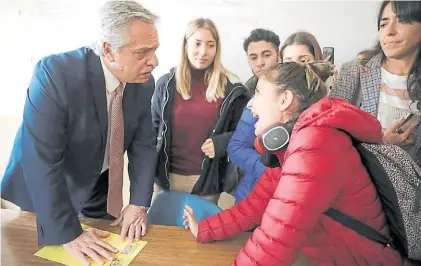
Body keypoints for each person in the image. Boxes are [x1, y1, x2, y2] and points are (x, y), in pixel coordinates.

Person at [183, 61, 404, 265]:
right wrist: (205, 229)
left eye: (258, 93)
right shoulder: (295, 145)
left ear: (285, 100)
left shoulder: (316, 144)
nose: (251, 105)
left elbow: (274, 240)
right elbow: (255, 205)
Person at [1, 1, 159, 265]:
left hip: (100, 182)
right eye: (142, 52)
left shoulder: (144, 82)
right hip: (51, 185)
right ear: (109, 50)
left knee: (100, 250)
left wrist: (138, 203)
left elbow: (143, 145)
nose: (154, 61)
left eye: (154, 50)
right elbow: (41, 160)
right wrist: (68, 233)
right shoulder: (55, 74)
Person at [152, 18, 249, 204]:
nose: (203, 52)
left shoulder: (232, 87)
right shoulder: (165, 84)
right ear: (186, 44)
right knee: (164, 232)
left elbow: (246, 133)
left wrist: (221, 143)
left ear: (217, 49)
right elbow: (151, 129)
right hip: (166, 179)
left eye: (210, 45)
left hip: (207, 182)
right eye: (197, 44)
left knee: (200, 233)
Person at [330, 0, 421, 166]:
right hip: (362, 180)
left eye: (400, 20)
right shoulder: (354, 71)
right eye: (384, 24)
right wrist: (382, 143)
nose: (389, 31)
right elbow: (329, 134)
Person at [227, 29, 280, 203]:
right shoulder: (247, 93)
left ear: (278, 55)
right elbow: (236, 146)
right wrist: (271, 171)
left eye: (266, 55)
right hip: (250, 193)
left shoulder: (300, 94)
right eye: (253, 57)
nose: (260, 63)